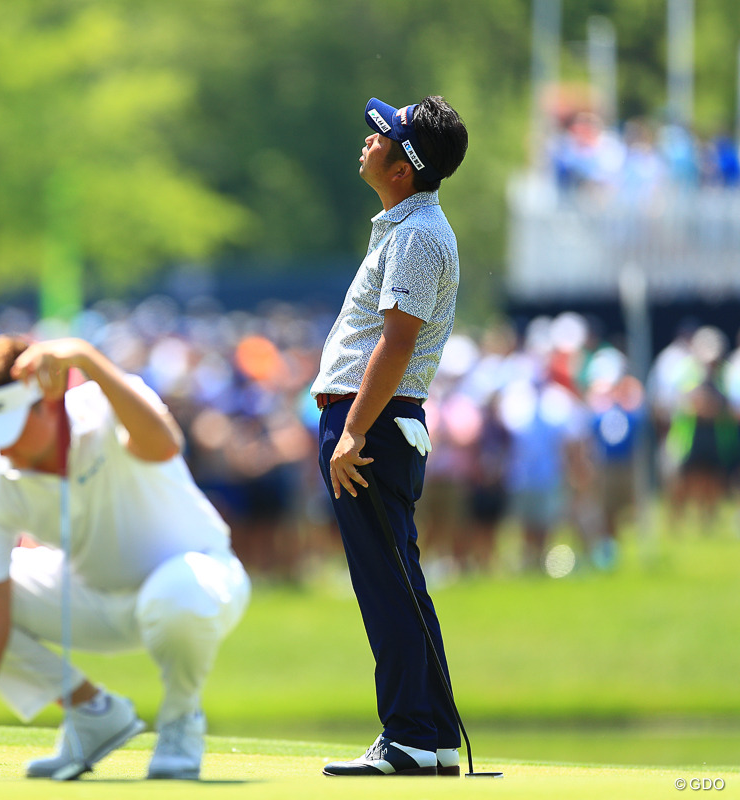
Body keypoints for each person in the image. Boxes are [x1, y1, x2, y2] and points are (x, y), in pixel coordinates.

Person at [0, 335, 250, 780]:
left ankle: (181, 721)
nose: (2, 448)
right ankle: (91, 711)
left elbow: (163, 446)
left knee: (176, 596)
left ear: (46, 402)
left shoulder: (110, 403)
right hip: (89, 595)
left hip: (201, 579)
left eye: (10, 430)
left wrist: (87, 358)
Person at [311, 95, 468, 776]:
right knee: (399, 580)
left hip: (372, 422)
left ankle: (407, 733)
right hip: (379, 421)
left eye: (382, 138)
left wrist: (353, 431)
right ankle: (429, 735)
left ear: (404, 167)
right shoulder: (410, 225)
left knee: (385, 583)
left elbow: (397, 343)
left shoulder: (415, 235)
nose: (368, 140)